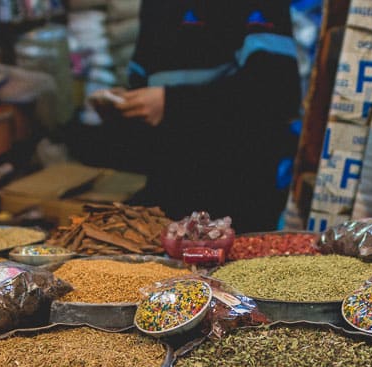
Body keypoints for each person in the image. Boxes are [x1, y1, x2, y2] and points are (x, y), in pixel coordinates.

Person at [94, 1, 301, 233]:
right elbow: (146, 89)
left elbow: (276, 93)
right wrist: (125, 107)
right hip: (171, 191)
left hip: (235, 195)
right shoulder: (156, 7)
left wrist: (171, 103)